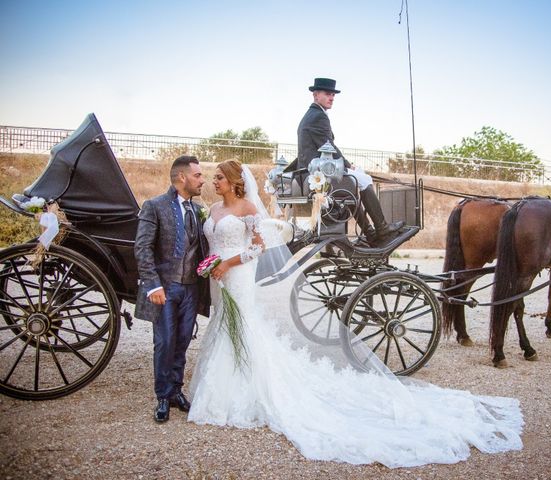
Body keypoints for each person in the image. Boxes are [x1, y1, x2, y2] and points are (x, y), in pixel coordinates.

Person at [187, 159, 523, 467]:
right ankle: (378, 227)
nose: (213, 181)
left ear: (233, 181)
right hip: (222, 276)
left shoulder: (246, 206)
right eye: (212, 177)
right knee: (358, 176)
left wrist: (227, 262)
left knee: (242, 324)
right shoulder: (214, 207)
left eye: (218, 177)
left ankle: (243, 382)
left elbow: (256, 244)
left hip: (234, 272)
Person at [134, 155, 210, 423]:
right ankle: (163, 397)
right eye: (198, 175)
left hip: (191, 288)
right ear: (182, 177)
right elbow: (142, 248)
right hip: (165, 288)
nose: (202, 180)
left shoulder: (198, 209)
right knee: (164, 342)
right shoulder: (154, 206)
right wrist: (152, 284)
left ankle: (176, 391)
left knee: (182, 341)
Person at [297, 77, 404, 245]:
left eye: (333, 95)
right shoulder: (318, 116)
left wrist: (349, 165)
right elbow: (328, 146)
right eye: (327, 94)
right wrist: (348, 165)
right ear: (315, 95)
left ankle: (370, 232)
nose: (331, 98)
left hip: (313, 172)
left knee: (354, 185)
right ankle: (381, 228)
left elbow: (326, 147)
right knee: (363, 179)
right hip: (318, 176)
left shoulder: (311, 115)